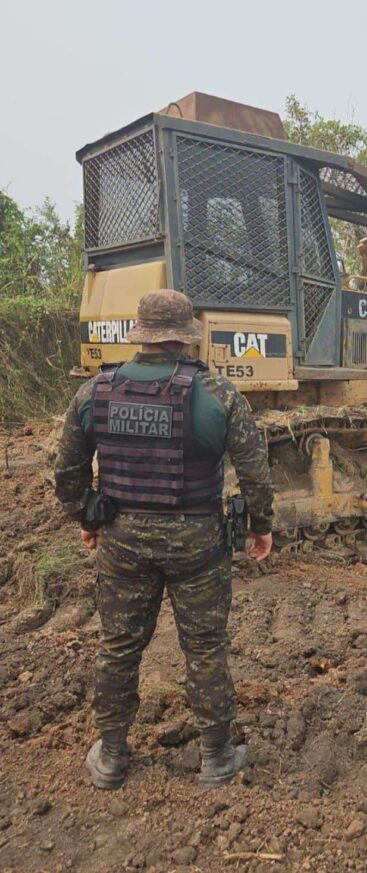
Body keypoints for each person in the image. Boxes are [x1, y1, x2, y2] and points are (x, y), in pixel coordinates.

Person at [54, 289, 274, 790]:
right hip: (197, 543)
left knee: (118, 646)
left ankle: (111, 756)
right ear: (185, 336)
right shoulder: (217, 393)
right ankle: (216, 756)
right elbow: (255, 470)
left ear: (142, 334)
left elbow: (66, 474)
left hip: (123, 542)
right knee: (205, 647)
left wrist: (87, 516)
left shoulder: (95, 392)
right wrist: (260, 525)